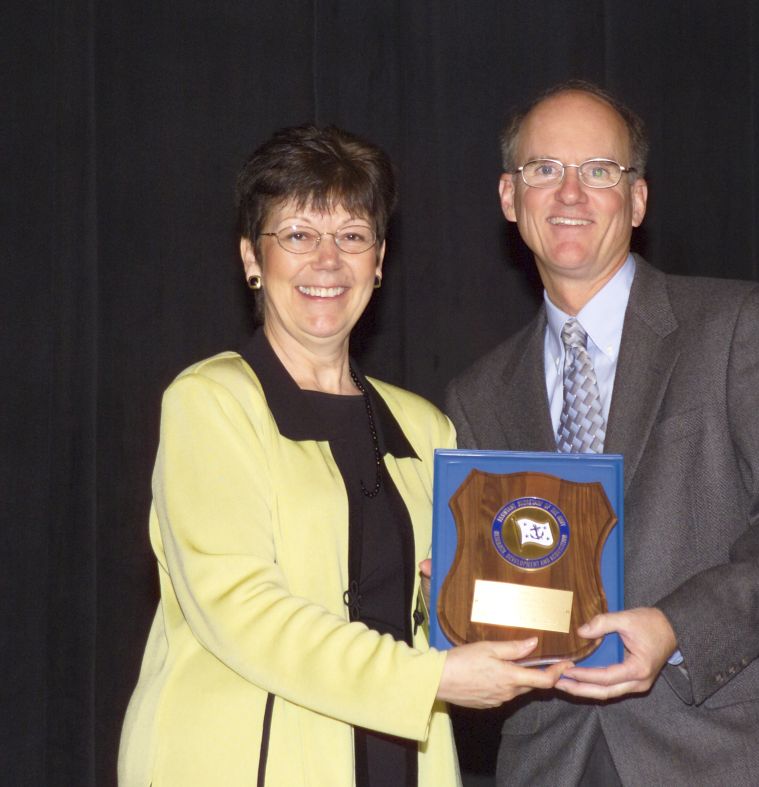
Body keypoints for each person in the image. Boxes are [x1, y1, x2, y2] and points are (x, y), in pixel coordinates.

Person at [118, 124, 567, 787]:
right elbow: (246, 612)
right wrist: (433, 676)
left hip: (399, 761)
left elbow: (455, 607)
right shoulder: (210, 403)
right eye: (298, 235)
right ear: (251, 257)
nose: (327, 260)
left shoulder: (425, 428)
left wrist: (533, 619)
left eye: (352, 236)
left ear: (379, 260)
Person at [445, 81, 759, 785]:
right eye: (544, 169)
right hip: (554, 758)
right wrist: (455, 591)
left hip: (731, 749)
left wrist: (674, 627)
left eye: (599, 171)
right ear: (510, 198)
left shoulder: (738, 325)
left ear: (636, 200)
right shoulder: (478, 392)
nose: (570, 193)